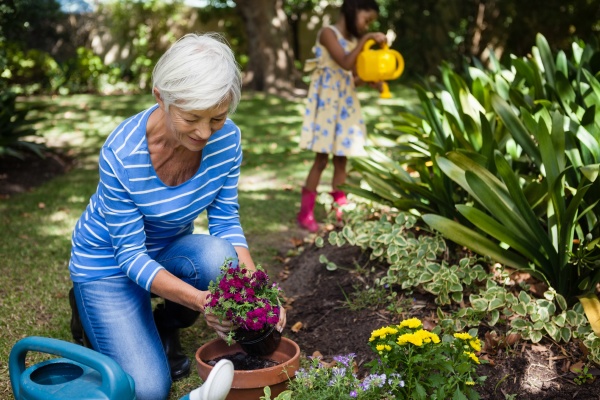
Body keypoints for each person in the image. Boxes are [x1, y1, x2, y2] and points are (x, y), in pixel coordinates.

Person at [67, 32, 286, 400]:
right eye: (191, 118)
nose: (204, 132)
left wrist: (258, 292)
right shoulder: (121, 152)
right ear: (161, 97)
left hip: (168, 249)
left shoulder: (227, 139)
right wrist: (203, 302)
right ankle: (88, 305)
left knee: (219, 257)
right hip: (108, 264)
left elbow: (226, 222)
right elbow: (130, 256)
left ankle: (162, 323)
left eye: (216, 118)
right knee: (149, 390)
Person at [297, 0, 387, 232]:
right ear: (353, 9)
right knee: (321, 160)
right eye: (366, 20)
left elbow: (353, 76)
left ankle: (340, 209)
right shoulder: (328, 33)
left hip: (344, 106)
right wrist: (366, 41)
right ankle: (305, 212)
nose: (366, 27)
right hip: (327, 105)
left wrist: (370, 80)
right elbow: (345, 63)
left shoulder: (355, 41)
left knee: (341, 159)